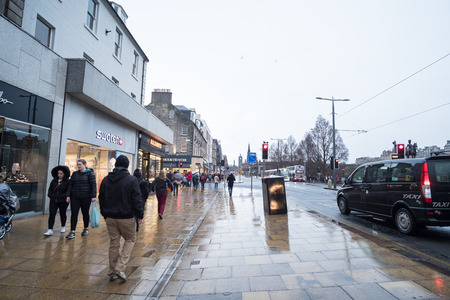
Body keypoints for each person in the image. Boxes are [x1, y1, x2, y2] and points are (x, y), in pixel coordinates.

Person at [99, 155, 144, 282]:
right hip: (126, 216)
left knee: (114, 243)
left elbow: (101, 197)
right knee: (130, 239)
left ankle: (112, 271)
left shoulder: (106, 179)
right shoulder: (131, 179)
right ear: (127, 166)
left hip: (110, 217)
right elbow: (137, 199)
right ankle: (120, 267)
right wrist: (140, 215)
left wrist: (104, 213)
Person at [65, 159, 97, 239]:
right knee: (74, 214)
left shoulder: (90, 174)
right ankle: (72, 231)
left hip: (86, 197)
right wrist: (68, 195)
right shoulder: (75, 174)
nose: (78, 166)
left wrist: (93, 196)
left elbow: (93, 185)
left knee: (85, 213)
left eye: (80, 164)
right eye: (78, 164)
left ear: (84, 164)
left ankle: (86, 228)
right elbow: (70, 185)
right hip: (75, 196)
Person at [44, 166, 71, 236]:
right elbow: (50, 189)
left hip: (63, 201)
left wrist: (64, 196)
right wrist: (50, 195)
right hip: (53, 200)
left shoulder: (68, 182)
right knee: (52, 214)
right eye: (58, 173)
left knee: (62, 213)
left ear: (64, 174)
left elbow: (68, 190)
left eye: (61, 173)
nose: (59, 175)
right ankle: (50, 229)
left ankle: (63, 226)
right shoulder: (54, 181)